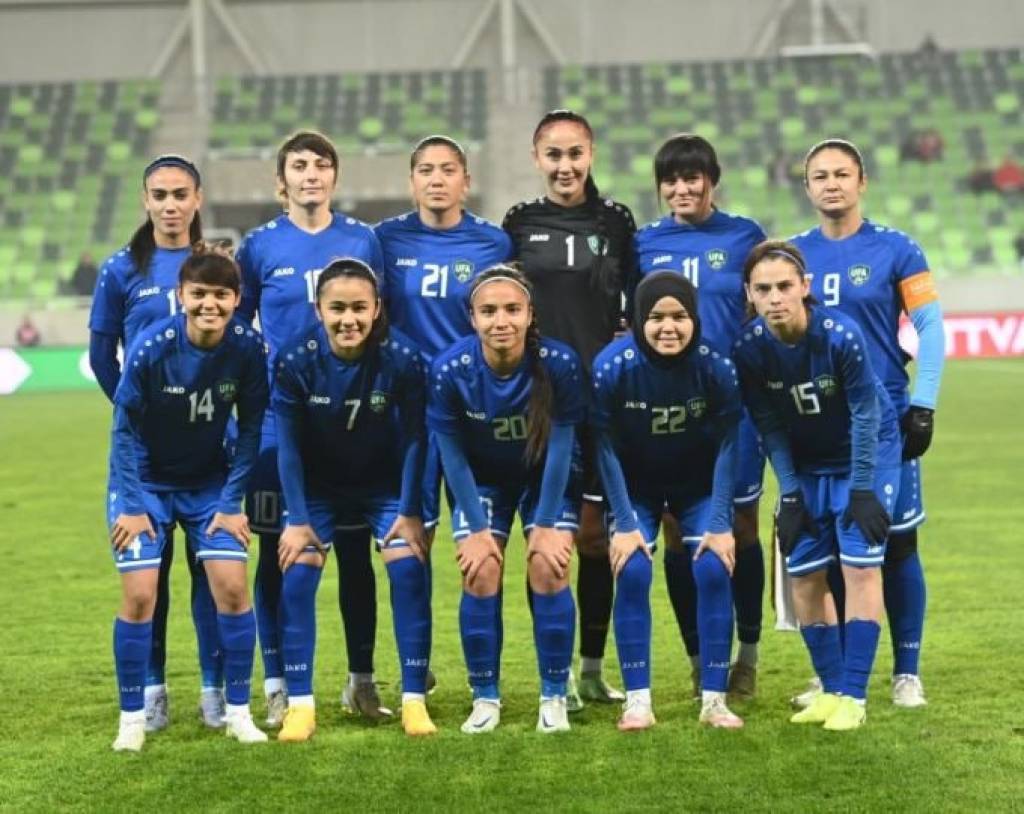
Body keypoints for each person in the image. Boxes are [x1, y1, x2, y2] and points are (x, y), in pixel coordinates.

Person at [236, 131, 387, 725]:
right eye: (299, 165)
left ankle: (361, 680)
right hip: (281, 422)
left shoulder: (362, 240)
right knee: (279, 548)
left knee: (355, 552)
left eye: (321, 164)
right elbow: (241, 326)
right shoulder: (258, 246)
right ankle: (278, 684)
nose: (311, 174)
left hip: (350, 420)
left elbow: (381, 320)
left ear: (334, 177)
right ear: (282, 181)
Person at [791, 138, 944, 709]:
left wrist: (923, 404)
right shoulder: (794, 256)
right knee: (830, 547)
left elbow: (931, 328)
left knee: (898, 543)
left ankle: (906, 671)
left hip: (884, 422)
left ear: (862, 182)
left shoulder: (897, 249)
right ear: (807, 187)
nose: (831, 184)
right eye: (820, 176)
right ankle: (833, 674)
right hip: (819, 425)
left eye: (842, 174)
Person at [733, 240, 901, 731]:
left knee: (859, 567)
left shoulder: (840, 335)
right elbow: (769, 426)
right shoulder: (749, 349)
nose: (775, 298)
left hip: (864, 456)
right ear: (749, 294)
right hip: (806, 463)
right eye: (763, 289)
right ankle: (830, 689)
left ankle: (855, 696)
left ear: (805, 287)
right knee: (804, 573)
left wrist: (863, 488)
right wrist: (789, 492)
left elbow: (867, 413)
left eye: (784, 286)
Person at [108, 244, 268, 751]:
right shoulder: (152, 347)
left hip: (209, 486)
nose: (209, 305)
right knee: (140, 595)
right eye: (199, 294)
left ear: (236, 299)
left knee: (233, 589)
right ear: (181, 295)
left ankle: (237, 711)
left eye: (221, 295)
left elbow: (251, 429)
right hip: (145, 484)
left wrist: (231, 502)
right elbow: (123, 429)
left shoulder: (247, 348)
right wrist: (132, 505)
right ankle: (132, 719)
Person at [502, 109, 636, 709]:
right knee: (548, 540)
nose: (565, 165)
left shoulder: (616, 222)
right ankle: (553, 669)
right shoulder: (519, 223)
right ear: (537, 158)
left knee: (594, 540)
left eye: (575, 153)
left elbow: (635, 302)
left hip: (601, 402)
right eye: (553, 155)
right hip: (539, 402)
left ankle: (591, 669)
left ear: (591, 155)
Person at [88, 154, 225, 731]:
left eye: (180, 194)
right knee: (151, 575)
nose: (170, 205)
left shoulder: (216, 265)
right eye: (160, 195)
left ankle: (215, 690)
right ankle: (153, 689)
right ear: (146, 201)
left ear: (197, 200)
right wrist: (138, 411)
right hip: (146, 454)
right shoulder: (121, 269)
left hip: (210, 448)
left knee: (212, 573)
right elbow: (102, 356)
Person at [272, 258, 433, 741]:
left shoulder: (401, 357)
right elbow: (288, 446)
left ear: (377, 307)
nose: (349, 319)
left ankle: (413, 700)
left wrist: (409, 510)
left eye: (359, 308)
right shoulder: (295, 360)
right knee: (298, 573)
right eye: (337, 308)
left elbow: (415, 439)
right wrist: (297, 519)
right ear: (318, 309)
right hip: (319, 489)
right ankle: (300, 706)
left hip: (383, 488)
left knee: (408, 568)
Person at [633, 134, 767, 700]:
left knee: (742, 527)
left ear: (712, 180)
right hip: (670, 406)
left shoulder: (745, 236)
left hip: (733, 407)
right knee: (677, 532)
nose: (682, 189)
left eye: (692, 178)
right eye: (671, 180)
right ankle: (697, 658)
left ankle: (748, 656)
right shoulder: (643, 243)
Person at [428, 265, 584, 734]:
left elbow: (562, 448)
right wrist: (477, 531)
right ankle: (485, 697)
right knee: (480, 570)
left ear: (530, 314)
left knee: (548, 566)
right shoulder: (449, 369)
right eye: (489, 311)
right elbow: (452, 457)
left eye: (513, 310)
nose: (501, 321)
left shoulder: (559, 363)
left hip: (544, 478)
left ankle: (554, 695)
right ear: (472, 318)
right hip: (482, 482)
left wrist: (547, 524)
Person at [592, 272, 745, 730]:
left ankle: (714, 700)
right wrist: (624, 523)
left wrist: (721, 522)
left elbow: (729, 443)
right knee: (633, 569)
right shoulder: (611, 366)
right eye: (656, 317)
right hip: (635, 487)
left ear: (694, 318)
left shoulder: (715, 366)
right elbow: (603, 446)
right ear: (639, 319)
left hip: (697, 486)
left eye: (679, 316)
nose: (668, 327)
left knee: (714, 567)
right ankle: (637, 701)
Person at [374, 134, 512, 533]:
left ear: (465, 182)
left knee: (479, 532)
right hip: (407, 401)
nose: (436, 179)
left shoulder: (494, 243)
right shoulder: (383, 239)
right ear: (412, 182)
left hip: (469, 398)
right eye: (426, 170)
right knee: (413, 529)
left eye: (448, 170)